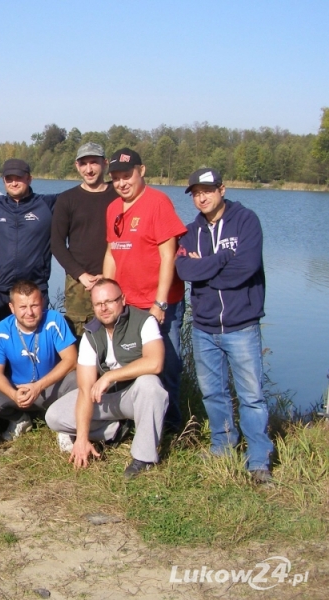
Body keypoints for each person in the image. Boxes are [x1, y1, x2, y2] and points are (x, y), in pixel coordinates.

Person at [175, 168, 274, 484]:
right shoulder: (191, 232)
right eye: (195, 193)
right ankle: (223, 446)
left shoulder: (246, 221)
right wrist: (220, 260)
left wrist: (206, 269)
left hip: (241, 325)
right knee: (213, 394)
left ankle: (258, 460)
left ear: (222, 189)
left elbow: (246, 268)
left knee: (252, 395)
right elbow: (183, 268)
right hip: (204, 327)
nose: (201, 197)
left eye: (207, 190)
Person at [45, 279, 168, 479]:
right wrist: (82, 439)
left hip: (134, 396)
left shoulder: (144, 321)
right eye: (98, 304)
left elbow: (155, 363)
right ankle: (115, 430)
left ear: (123, 299)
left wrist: (110, 375)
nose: (104, 308)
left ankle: (144, 458)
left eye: (109, 301)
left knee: (151, 385)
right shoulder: (90, 334)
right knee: (54, 416)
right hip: (105, 398)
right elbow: (85, 390)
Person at [103, 148, 186, 431]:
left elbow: (168, 256)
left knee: (167, 364)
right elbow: (112, 253)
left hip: (159, 303)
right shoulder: (113, 208)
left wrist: (160, 303)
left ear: (142, 171)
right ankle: (136, 420)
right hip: (127, 302)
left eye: (127, 176)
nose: (122, 183)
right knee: (130, 362)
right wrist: (104, 293)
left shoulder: (158, 203)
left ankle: (172, 424)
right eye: (116, 178)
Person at [0, 280, 77, 440]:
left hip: (50, 388)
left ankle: (65, 424)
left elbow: (71, 360)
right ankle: (19, 419)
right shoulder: (1, 330)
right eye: (22, 307)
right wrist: (13, 394)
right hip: (19, 390)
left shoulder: (53, 320)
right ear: (12, 308)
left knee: (77, 379)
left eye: (34, 305)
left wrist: (38, 386)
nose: (29, 312)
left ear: (42, 303)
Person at [0, 159, 58, 320]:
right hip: (2, 290)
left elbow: (80, 195)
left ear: (29, 179)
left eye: (19, 178)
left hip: (36, 288)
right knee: (4, 339)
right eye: (9, 179)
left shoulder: (46, 204)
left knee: (38, 340)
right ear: (3, 181)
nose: (14, 183)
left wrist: (111, 184)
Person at [51, 142, 116, 336]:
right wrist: (81, 275)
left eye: (94, 163)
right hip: (79, 281)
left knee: (114, 329)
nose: (89, 169)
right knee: (80, 335)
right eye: (84, 164)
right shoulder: (67, 199)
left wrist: (109, 274)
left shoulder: (119, 194)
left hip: (114, 276)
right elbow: (56, 243)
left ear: (104, 163)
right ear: (77, 166)